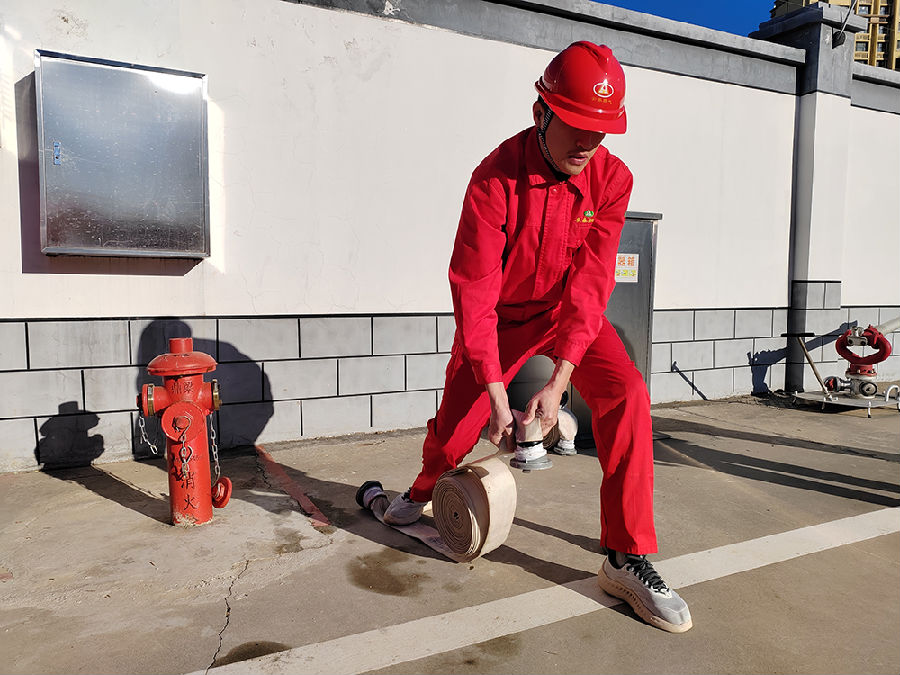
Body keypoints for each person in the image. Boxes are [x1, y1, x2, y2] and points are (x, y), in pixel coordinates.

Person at [384, 41, 692, 633]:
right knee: (456, 431)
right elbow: (474, 291)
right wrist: (498, 394)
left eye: (600, 130)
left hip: (563, 314)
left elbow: (592, 283)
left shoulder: (611, 179)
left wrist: (560, 380)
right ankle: (422, 489)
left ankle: (626, 556)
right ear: (541, 113)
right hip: (500, 321)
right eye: (575, 124)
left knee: (627, 391)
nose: (587, 142)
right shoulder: (494, 179)